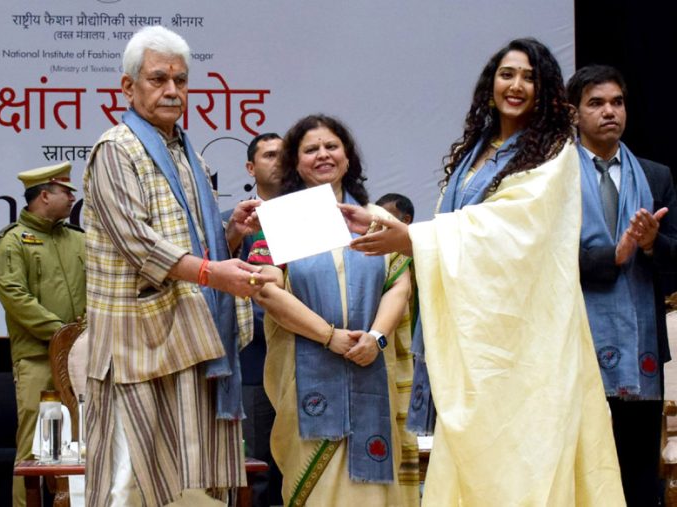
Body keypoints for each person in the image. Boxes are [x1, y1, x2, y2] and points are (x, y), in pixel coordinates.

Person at [339, 38, 625, 505]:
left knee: (523, 459)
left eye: (529, 77)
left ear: (546, 89)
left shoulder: (555, 151)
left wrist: (412, 238)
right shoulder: (477, 150)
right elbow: (461, 231)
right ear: (490, 81)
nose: (516, 85)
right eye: (507, 73)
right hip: (479, 340)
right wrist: (400, 232)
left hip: (529, 343)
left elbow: (509, 231)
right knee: (475, 459)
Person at [82, 26, 273, 506]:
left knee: (192, 489)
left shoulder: (184, 151)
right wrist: (213, 273)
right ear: (128, 87)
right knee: (129, 483)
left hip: (191, 341)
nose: (172, 90)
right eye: (158, 79)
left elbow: (186, 241)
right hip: (138, 349)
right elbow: (140, 245)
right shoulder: (116, 149)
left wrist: (227, 235)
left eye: (181, 81)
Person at [254, 114, 419, 506]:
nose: (322, 155)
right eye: (310, 149)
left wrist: (377, 338)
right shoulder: (281, 220)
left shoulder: (374, 219)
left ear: (348, 157)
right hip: (306, 377)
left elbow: (400, 284)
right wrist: (330, 338)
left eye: (332, 146)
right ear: (295, 162)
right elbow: (266, 292)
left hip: (371, 369)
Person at [567, 64, 677, 506]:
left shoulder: (655, 176)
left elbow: (675, 255)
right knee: (579, 464)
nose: (609, 111)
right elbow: (540, 259)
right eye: (596, 103)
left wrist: (652, 244)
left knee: (636, 468)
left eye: (617, 102)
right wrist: (608, 258)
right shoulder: (552, 177)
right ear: (574, 114)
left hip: (641, 348)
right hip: (572, 341)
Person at [0, 161, 85, 507]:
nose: (74, 197)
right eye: (66, 191)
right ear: (44, 195)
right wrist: (64, 334)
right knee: (34, 446)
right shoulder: (12, 242)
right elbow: (15, 297)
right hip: (37, 358)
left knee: (79, 444)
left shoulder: (77, 240)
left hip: (81, 360)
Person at [224, 132, 284, 507]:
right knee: (258, 469)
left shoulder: (311, 215)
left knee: (298, 463)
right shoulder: (236, 221)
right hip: (254, 360)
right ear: (251, 167)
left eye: (284, 154)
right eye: (269, 155)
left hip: (305, 355)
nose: (278, 161)